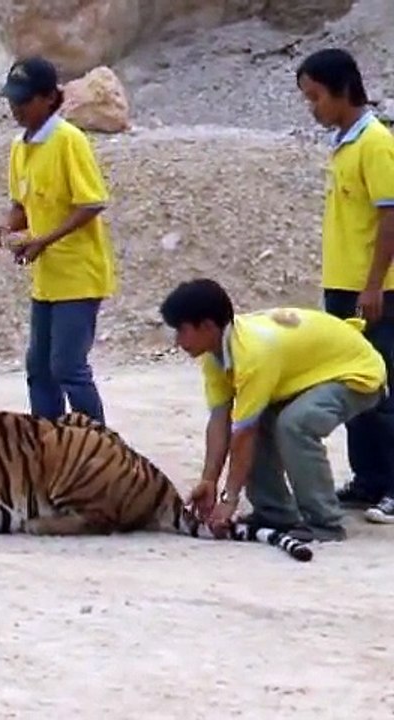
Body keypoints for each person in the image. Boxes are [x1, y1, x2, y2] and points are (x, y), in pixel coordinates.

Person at [160, 278, 387, 542]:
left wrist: (229, 499)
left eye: (182, 330)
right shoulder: (215, 353)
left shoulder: (253, 353)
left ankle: (325, 523)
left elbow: (243, 434)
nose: (177, 340)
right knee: (260, 422)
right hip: (313, 375)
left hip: (357, 374)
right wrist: (208, 480)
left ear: (208, 326)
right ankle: (275, 513)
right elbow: (220, 419)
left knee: (295, 424)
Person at [0, 55, 116, 424]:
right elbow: (21, 206)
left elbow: (91, 203)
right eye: (12, 100)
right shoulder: (20, 147)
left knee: (68, 367)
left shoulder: (69, 141)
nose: (15, 108)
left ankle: (97, 442)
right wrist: (3, 232)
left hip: (78, 274)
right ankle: (47, 442)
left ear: (49, 98)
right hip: (47, 279)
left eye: (23, 101)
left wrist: (44, 241)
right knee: (39, 368)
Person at [296, 48, 394, 524]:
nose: (312, 107)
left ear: (342, 90)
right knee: (352, 382)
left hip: (373, 290)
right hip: (342, 286)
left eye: (316, 96)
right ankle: (368, 478)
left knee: (383, 384)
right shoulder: (345, 144)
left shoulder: (375, 143)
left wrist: (373, 286)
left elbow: (390, 216)